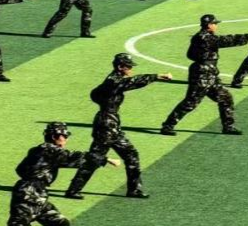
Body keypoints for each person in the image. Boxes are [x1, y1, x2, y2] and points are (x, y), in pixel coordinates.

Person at [66, 55, 172, 199]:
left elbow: (94, 94)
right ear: (120, 67)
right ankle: (73, 190)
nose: (131, 68)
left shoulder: (113, 80)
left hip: (111, 123)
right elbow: (133, 82)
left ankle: (134, 190)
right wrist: (156, 76)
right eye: (128, 66)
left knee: (131, 155)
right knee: (95, 158)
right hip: (106, 124)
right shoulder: (113, 81)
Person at [160, 14, 248, 136]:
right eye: (214, 24)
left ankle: (228, 126)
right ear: (209, 25)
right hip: (202, 74)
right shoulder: (204, 37)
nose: (216, 26)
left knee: (225, 98)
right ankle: (168, 126)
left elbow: (190, 54)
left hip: (209, 73)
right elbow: (226, 40)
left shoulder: (200, 37)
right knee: (191, 102)